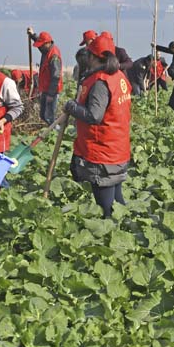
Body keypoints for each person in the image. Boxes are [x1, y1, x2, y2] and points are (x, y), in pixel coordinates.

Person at [63, 34, 132, 218]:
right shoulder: (119, 76)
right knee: (117, 202)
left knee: (106, 207)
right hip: (118, 146)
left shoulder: (101, 82)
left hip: (103, 151)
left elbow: (94, 115)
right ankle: (127, 232)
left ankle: (114, 240)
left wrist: (72, 107)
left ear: (93, 57)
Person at [28, 27, 63, 125]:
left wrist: (51, 95)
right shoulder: (46, 50)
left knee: (50, 117)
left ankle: (56, 135)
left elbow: (56, 76)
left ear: (47, 43)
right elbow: (40, 45)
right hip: (45, 88)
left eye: (41, 45)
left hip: (52, 91)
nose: (40, 47)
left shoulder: (54, 56)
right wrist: (32, 35)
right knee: (43, 115)